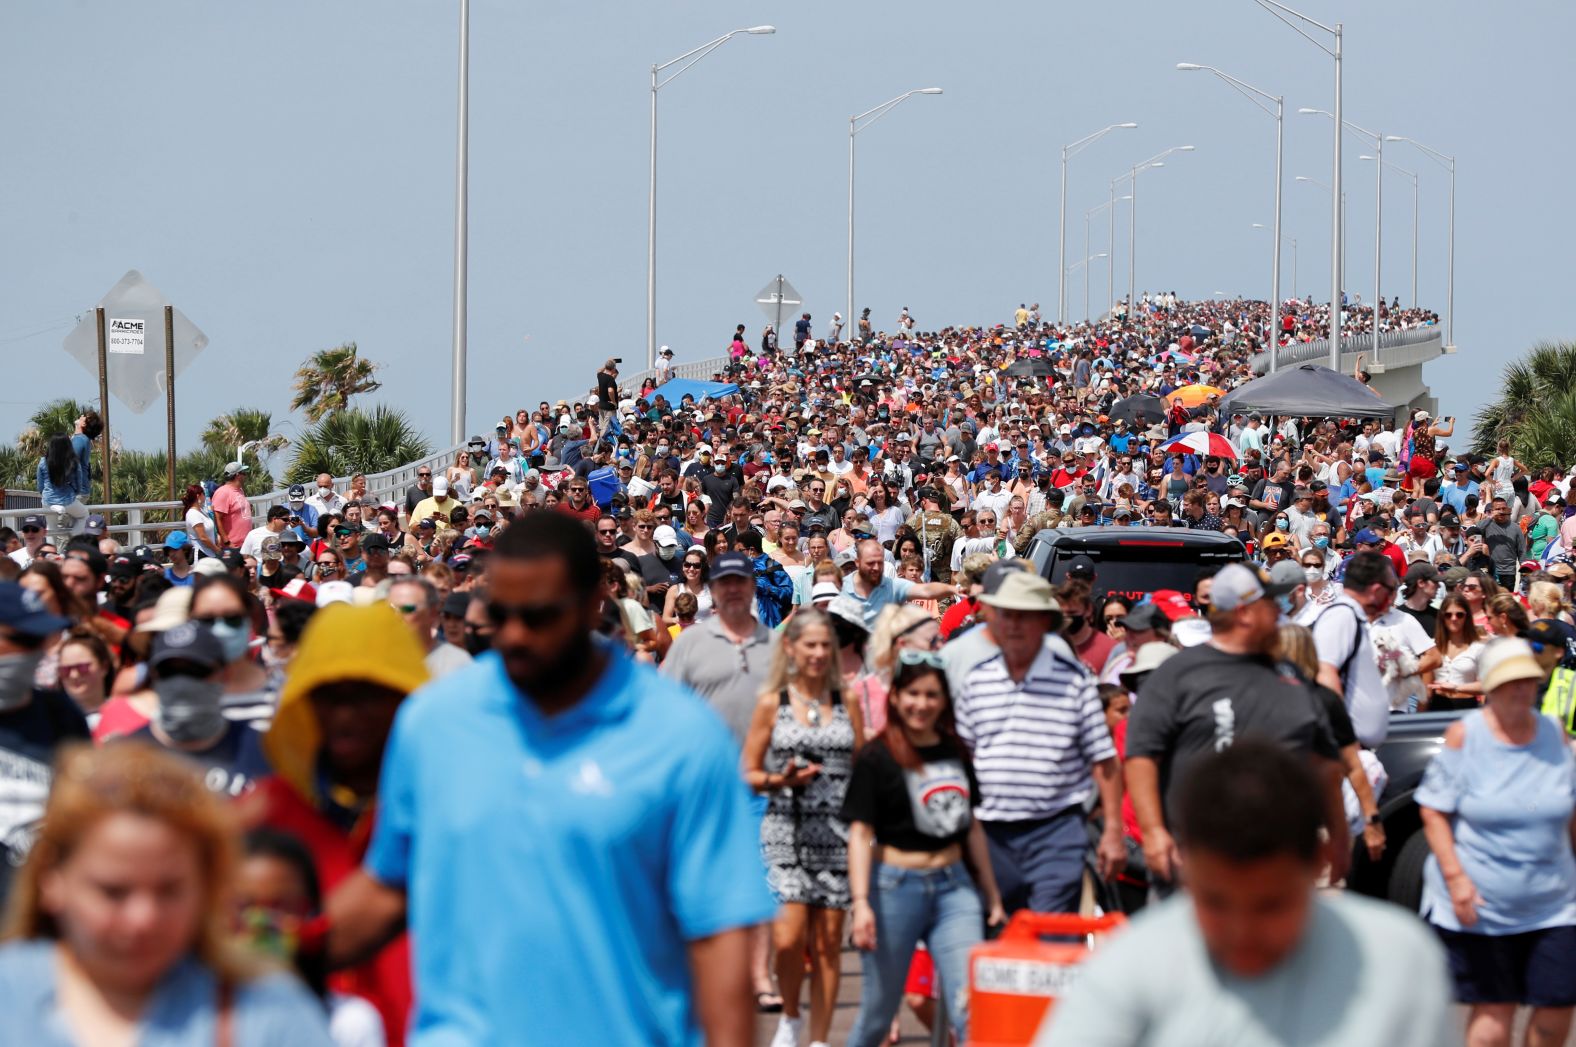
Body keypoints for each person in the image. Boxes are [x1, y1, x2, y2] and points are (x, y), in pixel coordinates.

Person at [326, 511, 774, 1044]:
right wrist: (264, 949)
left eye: (539, 616)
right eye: (502, 613)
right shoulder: (433, 723)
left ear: (593, 606)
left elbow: (719, 935)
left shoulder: (680, 736)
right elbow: (387, 887)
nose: (513, 634)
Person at [1039, 741, 1452, 1046]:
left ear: (1319, 863)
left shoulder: (1401, 959)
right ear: (1183, 868)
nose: (1242, 932)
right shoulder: (1127, 969)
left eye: (1271, 906)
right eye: (1215, 903)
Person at [0, 742, 334, 1044]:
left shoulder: (271, 1013)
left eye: (169, 890)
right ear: (51, 880)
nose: (144, 919)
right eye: (113, 892)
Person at [255, 601, 430, 1047]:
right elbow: (242, 952)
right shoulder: (265, 817)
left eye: (365, 694)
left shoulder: (449, 811)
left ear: (404, 697)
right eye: (329, 695)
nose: (345, 713)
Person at [1126, 563, 1351, 891]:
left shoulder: (1291, 675)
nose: (1280, 611)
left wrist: (1339, 835)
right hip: (1197, 866)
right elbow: (1141, 757)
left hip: (1281, 865)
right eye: (1271, 604)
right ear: (1245, 613)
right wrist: (1153, 832)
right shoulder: (1177, 675)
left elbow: (1325, 765)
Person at [1418, 638, 1576, 1047]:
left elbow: (1569, 810)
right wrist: (1455, 878)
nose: (1520, 691)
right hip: (1485, 903)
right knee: (1494, 1013)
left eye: (1526, 681)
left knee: (1557, 1009)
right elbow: (1434, 811)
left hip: (1555, 903)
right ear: (1488, 688)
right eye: (1509, 683)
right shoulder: (1463, 736)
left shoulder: (1554, 733)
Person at [843, 655, 1005, 1047]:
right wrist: (861, 902)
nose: (922, 703)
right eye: (913, 693)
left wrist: (992, 894)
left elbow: (972, 827)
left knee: (971, 1008)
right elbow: (860, 832)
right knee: (878, 1016)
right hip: (894, 887)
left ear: (944, 700)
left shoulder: (955, 751)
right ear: (895, 697)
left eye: (932, 694)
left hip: (956, 888)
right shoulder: (876, 757)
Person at [954, 570, 1126, 914]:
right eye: (1006, 615)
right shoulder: (976, 680)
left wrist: (1112, 832)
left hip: (1056, 833)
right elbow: (962, 761)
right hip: (990, 836)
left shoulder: (1074, 682)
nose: (1014, 625)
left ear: (1044, 622)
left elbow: (1104, 760)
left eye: (1024, 616)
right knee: (998, 940)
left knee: (1051, 938)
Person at [742, 609, 864, 1047]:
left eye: (824, 645)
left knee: (830, 942)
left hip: (837, 834)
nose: (817, 653)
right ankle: (791, 1016)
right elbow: (749, 772)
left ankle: (818, 1039)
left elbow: (862, 767)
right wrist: (782, 780)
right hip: (785, 830)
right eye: (809, 645)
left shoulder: (846, 698)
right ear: (790, 648)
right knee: (790, 937)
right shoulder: (772, 701)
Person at [235, 829, 389, 1047]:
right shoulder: (191, 1017)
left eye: (283, 908)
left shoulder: (347, 1024)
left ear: (314, 917)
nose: (263, 923)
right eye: (245, 908)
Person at [0, 580, 89, 898]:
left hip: (39, 910)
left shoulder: (61, 714)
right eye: (22, 638)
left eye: (39, 640)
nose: (34, 651)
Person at [123, 621, 271, 798]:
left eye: (196, 670)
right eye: (168, 671)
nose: (181, 684)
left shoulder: (262, 750)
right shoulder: (125, 757)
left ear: (225, 675)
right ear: (153, 677)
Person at [1311, 551, 1397, 748]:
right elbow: (1325, 675)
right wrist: (1345, 742)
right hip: (1347, 749)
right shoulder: (1341, 616)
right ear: (1376, 590)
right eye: (1392, 589)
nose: (1393, 596)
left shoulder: (1351, 616)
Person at [387, 577, 472, 679]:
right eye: (390, 609)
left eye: (407, 608)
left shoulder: (460, 666)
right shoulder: (377, 661)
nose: (397, 616)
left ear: (432, 613)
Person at [1430, 591, 1488, 710]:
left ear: (1467, 617)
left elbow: (1485, 685)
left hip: (1466, 706)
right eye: (1448, 615)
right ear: (1442, 617)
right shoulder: (1433, 646)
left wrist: (1457, 687)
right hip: (1437, 705)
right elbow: (1426, 686)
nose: (1454, 618)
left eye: (1459, 615)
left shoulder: (1478, 648)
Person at [36, 432, 91, 537]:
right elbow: (78, 483)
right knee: (84, 515)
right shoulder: (73, 462)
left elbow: (40, 485)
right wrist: (75, 492)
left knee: (51, 527)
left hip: (48, 500)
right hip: (67, 500)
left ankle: (49, 552)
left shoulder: (43, 462)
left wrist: (44, 493)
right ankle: (71, 541)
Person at [211, 461, 254, 550]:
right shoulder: (223, 492)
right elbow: (217, 518)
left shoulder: (240, 490)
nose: (245, 476)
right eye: (244, 473)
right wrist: (227, 542)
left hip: (245, 545)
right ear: (238, 475)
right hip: (233, 547)